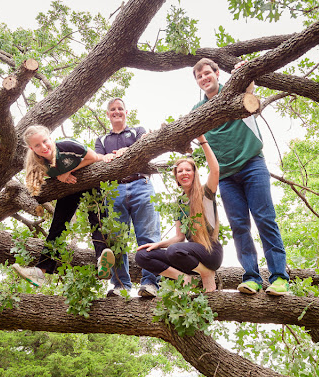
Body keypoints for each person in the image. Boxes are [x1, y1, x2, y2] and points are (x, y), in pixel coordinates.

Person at [191, 57, 290, 296]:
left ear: (216, 73)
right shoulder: (197, 111)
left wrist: (244, 70)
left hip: (252, 165)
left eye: (207, 73)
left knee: (265, 219)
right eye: (199, 77)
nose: (204, 78)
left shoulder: (235, 93)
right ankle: (252, 277)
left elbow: (249, 86)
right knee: (239, 227)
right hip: (226, 176)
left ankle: (279, 278)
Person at [12, 125, 116, 286]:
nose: (43, 147)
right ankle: (41, 271)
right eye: (37, 145)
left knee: (98, 216)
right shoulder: (38, 165)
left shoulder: (67, 146)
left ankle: (102, 258)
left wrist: (67, 172)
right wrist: (62, 177)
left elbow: (93, 157)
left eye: (45, 141)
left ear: (50, 138)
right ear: (31, 148)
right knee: (57, 226)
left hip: (90, 178)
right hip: (70, 188)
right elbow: (47, 181)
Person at [135, 135, 222, 291]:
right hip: (188, 257)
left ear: (194, 173)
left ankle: (207, 274)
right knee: (142, 255)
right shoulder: (179, 203)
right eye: (180, 171)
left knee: (174, 250)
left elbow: (215, 170)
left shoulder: (206, 193)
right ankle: (183, 278)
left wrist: (202, 141)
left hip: (210, 252)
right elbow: (179, 237)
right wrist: (157, 244)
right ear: (176, 177)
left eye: (188, 170)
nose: (184, 173)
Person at [95, 98, 161, 297]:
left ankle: (150, 283)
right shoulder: (102, 140)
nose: (117, 112)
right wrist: (104, 157)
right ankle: (120, 285)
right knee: (116, 239)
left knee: (148, 235)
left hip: (141, 184)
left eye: (120, 109)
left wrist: (128, 151)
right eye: (112, 109)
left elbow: (145, 146)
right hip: (115, 189)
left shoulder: (137, 131)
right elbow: (98, 159)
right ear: (108, 114)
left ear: (126, 112)